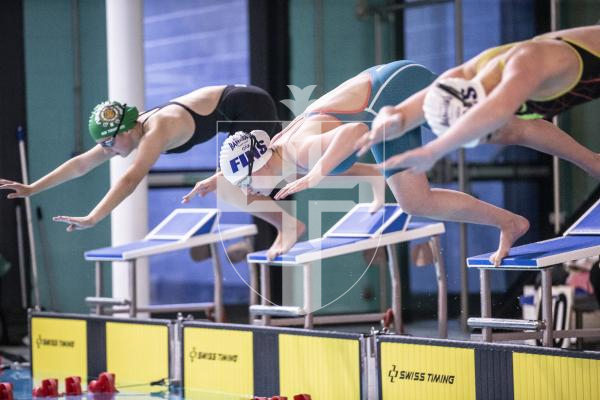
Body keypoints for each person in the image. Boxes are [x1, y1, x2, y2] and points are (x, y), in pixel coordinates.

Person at [183, 60, 529, 264]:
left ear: (257, 169)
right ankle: (507, 219)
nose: (251, 192)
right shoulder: (276, 148)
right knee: (406, 193)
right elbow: (250, 154)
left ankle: (509, 221)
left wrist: (317, 175)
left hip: (393, 90)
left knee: (417, 198)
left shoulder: (300, 153)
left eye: (246, 185)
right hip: (385, 87)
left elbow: (353, 133)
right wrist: (217, 178)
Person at [0, 84, 286, 233]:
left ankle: (287, 228)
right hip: (239, 114)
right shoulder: (130, 132)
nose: (107, 150)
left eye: (108, 143)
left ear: (124, 130)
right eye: (103, 145)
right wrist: (31, 188)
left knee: (234, 185)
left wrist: (93, 217)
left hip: (248, 106)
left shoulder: (155, 131)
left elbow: (131, 179)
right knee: (265, 172)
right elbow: (81, 164)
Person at [356, 25, 600, 178]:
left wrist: (432, 151)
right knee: (519, 132)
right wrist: (386, 124)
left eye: (488, 135)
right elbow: (401, 113)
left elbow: (498, 111)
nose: (495, 140)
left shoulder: (528, 63)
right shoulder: (460, 80)